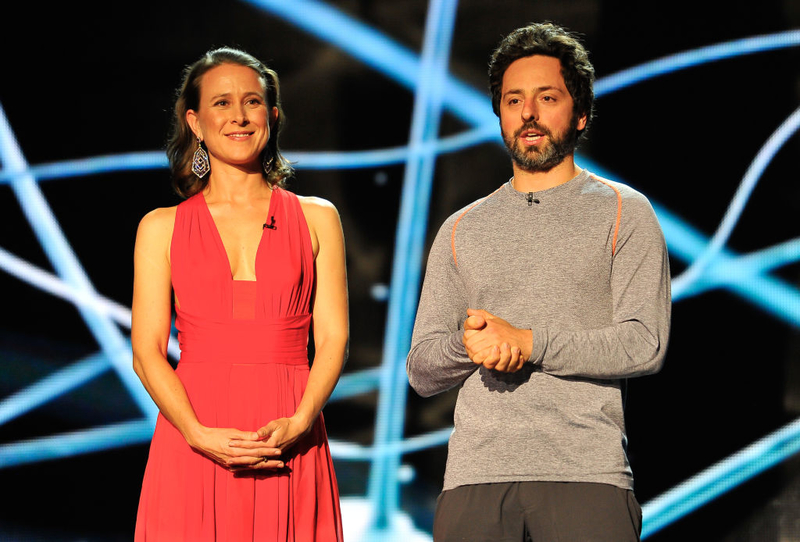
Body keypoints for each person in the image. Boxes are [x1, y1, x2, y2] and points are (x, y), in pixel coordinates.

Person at [406, 23, 670, 541]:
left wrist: (528, 343)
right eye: (513, 100)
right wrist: (474, 345)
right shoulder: (461, 227)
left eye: (546, 97)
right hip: (475, 479)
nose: (527, 113)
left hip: (586, 475)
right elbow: (421, 368)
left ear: (581, 113)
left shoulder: (625, 211)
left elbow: (645, 343)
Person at [131, 47, 347, 541]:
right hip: (194, 434)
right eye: (222, 103)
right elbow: (146, 352)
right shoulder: (160, 228)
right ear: (196, 122)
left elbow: (333, 340)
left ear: (271, 115)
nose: (239, 116)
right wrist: (196, 433)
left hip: (291, 434)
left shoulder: (318, 218)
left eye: (252, 101)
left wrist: (301, 420)